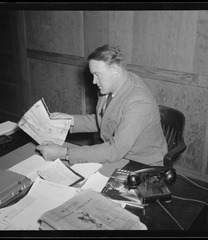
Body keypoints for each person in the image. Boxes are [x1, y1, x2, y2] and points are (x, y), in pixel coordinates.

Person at [36, 44, 167, 166]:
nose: (93, 81)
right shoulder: (111, 86)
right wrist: (69, 120)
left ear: (115, 70)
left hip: (141, 165)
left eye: (97, 75)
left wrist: (63, 153)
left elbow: (115, 150)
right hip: (120, 156)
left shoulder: (139, 102)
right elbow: (105, 120)